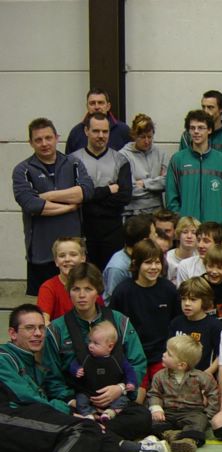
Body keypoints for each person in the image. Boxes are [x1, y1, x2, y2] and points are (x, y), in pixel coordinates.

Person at [0, 305, 143, 452]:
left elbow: (44, 400)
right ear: (12, 333)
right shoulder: (4, 357)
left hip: (27, 429)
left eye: (41, 328)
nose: (38, 333)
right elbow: (25, 398)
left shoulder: (36, 365)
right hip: (7, 422)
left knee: (108, 444)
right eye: (29, 328)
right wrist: (69, 412)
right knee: (84, 429)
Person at [42, 264, 154, 444]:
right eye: (75, 289)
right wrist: (73, 402)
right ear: (68, 291)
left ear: (98, 291)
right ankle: (108, 438)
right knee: (57, 416)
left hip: (116, 400)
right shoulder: (56, 329)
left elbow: (137, 362)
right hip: (77, 401)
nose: (81, 295)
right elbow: (51, 375)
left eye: (88, 289)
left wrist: (120, 389)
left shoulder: (120, 321)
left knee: (142, 417)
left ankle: (91, 434)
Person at [13, 118, 93, 295]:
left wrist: (47, 197)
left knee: (77, 299)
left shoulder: (74, 164)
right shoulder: (23, 170)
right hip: (41, 254)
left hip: (73, 252)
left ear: (57, 138)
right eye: (38, 140)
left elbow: (86, 192)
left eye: (48, 138)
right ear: (30, 143)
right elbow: (31, 204)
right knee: (45, 306)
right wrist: (69, 207)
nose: (44, 143)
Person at [110, 238, 180, 401]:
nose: (154, 267)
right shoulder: (123, 292)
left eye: (157, 262)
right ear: (136, 263)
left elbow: (176, 324)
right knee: (137, 399)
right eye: (148, 263)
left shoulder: (168, 290)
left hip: (162, 356)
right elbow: (114, 328)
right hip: (133, 357)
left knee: (164, 399)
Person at [70, 112, 133, 269]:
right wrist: (108, 190)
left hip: (113, 229)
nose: (101, 135)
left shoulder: (120, 160)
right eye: (96, 131)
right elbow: (72, 196)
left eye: (105, 131)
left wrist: (88, 197)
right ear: (86, 131)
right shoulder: (72, 161)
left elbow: (124, 196)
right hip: (84, 228)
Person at [148, 335, 219, 452]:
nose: (164, 354)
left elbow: (213, 393)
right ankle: (170, 434)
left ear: (181, 365)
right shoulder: (159, 376)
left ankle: (187, 441)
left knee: (199, 421)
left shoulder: (201, 377)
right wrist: (156, 408)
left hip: (192, 412)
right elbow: (154, 393)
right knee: (152, 422)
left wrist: (208, 414)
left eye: (169, 354)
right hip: (167, 412)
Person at [166, 110, 222, 224]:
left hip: (213, 230)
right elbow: (171, 196)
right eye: (192, 128)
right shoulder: (177, 159)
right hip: (187, 230)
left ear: (209, 130)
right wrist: (180, 218)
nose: (196, 132)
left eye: (200, 128)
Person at [69, 321, 136, 422]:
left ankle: (110, 412)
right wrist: (76, 370)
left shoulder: (118, 359)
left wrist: (131, 382)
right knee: (80, 398)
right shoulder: (86, 357)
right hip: (90, 394)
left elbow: (130, 371)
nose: (90, 346)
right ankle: (89, 414)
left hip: (113, 396)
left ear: (110, 346)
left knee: (124, 400)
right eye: (90, 341)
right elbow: (73, 364)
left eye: (96, 343)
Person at [168, 277, 222, 373]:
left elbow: (221, 355)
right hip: (177, 376)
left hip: (202, 378)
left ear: (205, 300)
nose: (187, 303)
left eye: (193, 300)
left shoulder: (215, 326)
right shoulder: (176, 322)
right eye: (183, 299)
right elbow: (169, 351)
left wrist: (206, 374)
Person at [120, 113, 169, 218]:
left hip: (157, 211)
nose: (147, 141)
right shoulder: (123, 156)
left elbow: (166, 182)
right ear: (134, 136)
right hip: (133, 212)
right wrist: (155, 185)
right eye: (142, 137)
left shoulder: (160, 153)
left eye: (150, 137)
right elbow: (129, 190)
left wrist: (144, 183)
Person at [102, 214, 156, 302]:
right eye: (154, 233)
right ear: (146, 240)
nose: (157, 235)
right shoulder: (117, 268)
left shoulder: (151, 256)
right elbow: (111, 301)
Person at [37, 237, 89, 325]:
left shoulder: (92, 284)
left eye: (73, 254)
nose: (67, 259)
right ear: (56, 261)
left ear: (83, 258)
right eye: (62, 256)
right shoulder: (48, 287)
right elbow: (42, 321)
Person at [65, 88, 130, 154]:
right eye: (92, 103)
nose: (96, 107)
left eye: (100, 103)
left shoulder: (123, 131)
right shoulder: (76, 132)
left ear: (108, 106)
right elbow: (68, 162)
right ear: (87, 106)